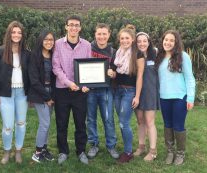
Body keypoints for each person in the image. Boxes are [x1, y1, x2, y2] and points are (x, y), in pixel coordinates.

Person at [52, 15, 91, 164]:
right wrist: (68, 83)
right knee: (62, 123)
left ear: (80, 28)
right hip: (62, 90)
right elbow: (56, 67)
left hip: (80, 92)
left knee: (80, 123)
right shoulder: (57, 44)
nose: (74, 28)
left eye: (76, 25)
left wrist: (87, 84)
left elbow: (88, 66)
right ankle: (63, 151)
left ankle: (81, 151)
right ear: (66, 27)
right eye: (71, 25)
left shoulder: (86, 45)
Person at [0, 21, 30, 164]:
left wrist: (30, 93)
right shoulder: (0, 51)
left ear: (22, 35)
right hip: (5, 94)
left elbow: (31, 75)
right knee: (8, 126)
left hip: (22, 94)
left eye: (19, 32)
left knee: (21, 123)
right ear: (9, 34)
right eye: (13, 32)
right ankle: (7, 151)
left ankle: (18, 150)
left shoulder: (26, 53)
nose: (16, 35)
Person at [155, 30, 195, 165]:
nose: (168, 42)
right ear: (162, 41)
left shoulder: (183, 56)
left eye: (171, 40)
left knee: (178, 125)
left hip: (180, 97)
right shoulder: (159, 56)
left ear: (176, 42)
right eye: (166, 40)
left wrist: (190, 98)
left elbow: (190, 78)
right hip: (164, 97)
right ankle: (170, 152)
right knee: (167, 125)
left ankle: (180, 153)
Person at [112, 25, 145, 164]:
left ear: (132, 39)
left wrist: (137, 96)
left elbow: (140, 76)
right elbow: (114, 72)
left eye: (127, 38)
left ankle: (128, 152)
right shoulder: (117, 53)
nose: (124, 40)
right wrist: (111, 73)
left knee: (124, 123)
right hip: (117, 91)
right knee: (122, 122)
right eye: (122, 38)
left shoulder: (138, 54)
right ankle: (128, 148)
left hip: (129, 92)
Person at [86, 23, 119, 159]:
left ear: (109, 34)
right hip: (90, 90)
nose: (101, 36)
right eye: (99, 33)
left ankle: (111, 146)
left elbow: (118, 72)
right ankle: (94, 144)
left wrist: (114, 73)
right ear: (95, 34)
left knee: (108, 119)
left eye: (104, 34)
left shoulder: (114, 52)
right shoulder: (87, 48)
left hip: (106, 90)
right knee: (91, 118)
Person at [29, 30, 55, 163]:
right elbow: (34, 80)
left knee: (47, 123)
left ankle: (44, 149)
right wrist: (47, 97)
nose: (49, 42)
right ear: (41, 40)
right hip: (40, 93)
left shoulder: (53, 55)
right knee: (44, 123)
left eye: (51, 39)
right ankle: (37, 152)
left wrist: (53, 95)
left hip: (51, 91)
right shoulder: (34, 56)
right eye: (46, 39)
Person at [133, 32, 159, 161]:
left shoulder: (156, 55)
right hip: (137, 92)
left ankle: (153, 151)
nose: (142, 44)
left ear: (149, 42)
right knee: (140, 121)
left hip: (150, 92)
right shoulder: (133, 56)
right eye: (139, 41)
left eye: (144, 41)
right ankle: (141, 146)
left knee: (150, 122)